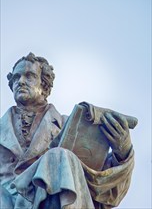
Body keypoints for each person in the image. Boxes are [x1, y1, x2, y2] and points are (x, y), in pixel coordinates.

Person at [0, 53, 137, 209]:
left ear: (44, 86)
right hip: (7, 201)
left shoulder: (71, 127)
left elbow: (101, 184)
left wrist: (123, 152)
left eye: (29, 76)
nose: (21, 82)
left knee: (58, 156)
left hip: (50, 199)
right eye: (16, 78)